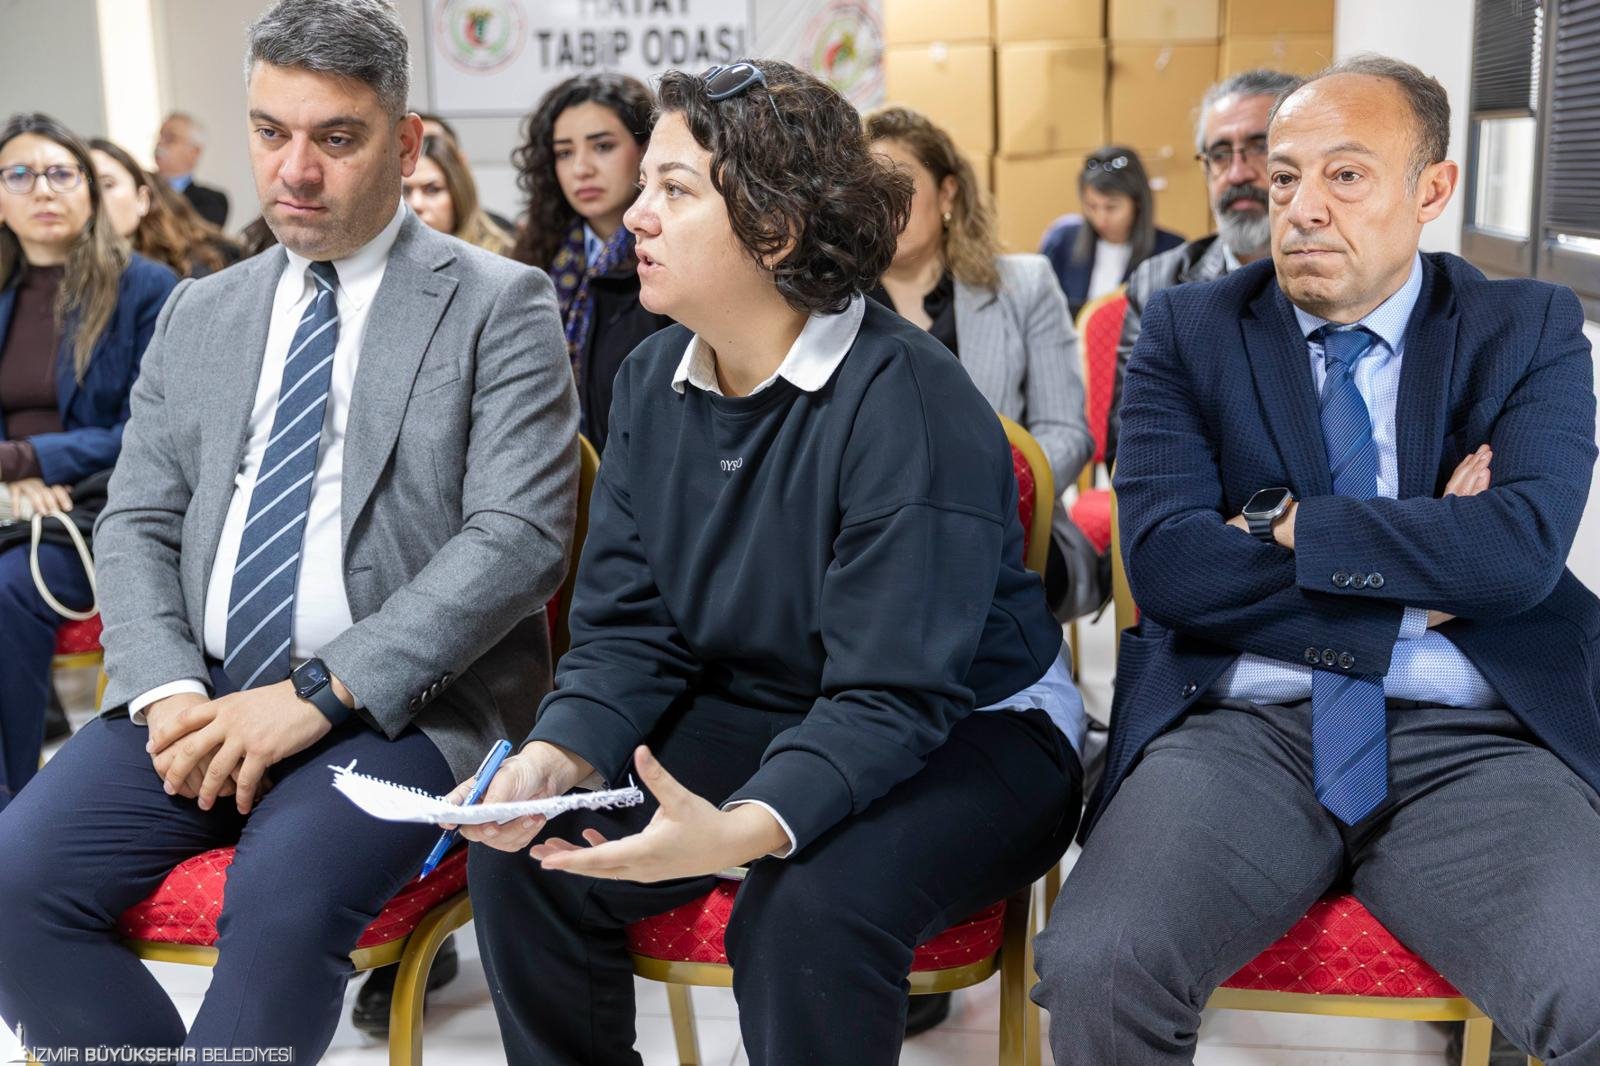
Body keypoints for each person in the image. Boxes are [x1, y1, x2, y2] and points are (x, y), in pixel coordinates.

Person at [460, 59, 1085, 1066]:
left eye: (673, 190)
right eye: (644, 186)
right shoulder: (650, 378)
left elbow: (893, 692)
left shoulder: (909, 399)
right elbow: (628, 631)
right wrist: (555, 757)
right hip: (772, 698)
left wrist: (745, 826)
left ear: (776, 229)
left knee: (805, 914)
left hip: (972, 727)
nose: (635, 218)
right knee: (532, 858)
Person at [0, 3, 578, 1062]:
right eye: (271, 132)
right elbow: (137, 517)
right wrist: (167, 689)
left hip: (404, 709)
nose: (295, 171)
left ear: (405, 143)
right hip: (201, 689)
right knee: (11, 883)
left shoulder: (499, 303)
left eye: (337, 138)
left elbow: (517, 537)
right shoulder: (201, 311)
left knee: (279, 905)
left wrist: (317, 693)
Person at [1032, 54, 1600, 1066]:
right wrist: (1425, 569)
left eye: (1345, 175)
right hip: (1241, 729)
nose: (1300, 207)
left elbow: (1515, 557)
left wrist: (1288, 525)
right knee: (1098, 966)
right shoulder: (1185, 329)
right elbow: (1168, 566)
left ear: (1431, 189)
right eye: (1286, 176)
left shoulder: (1526, 326)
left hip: (1473, 740)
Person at [0, 113, 177, 812]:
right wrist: (14, 477)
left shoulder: (145, 289)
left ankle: (11, 811)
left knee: (7, 587)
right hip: (10, 503)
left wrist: (29, 459)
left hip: (102, 509)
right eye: (20, 174)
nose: (43, 189)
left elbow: (151, 429)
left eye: (61, 172)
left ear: (90, 190)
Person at [865, 106, 1097, 627]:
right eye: (868, 189)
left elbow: (1065, 433)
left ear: (948, 193)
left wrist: (981, 496)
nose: (882, 204)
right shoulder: (835, 308)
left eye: (899, 185)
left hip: (1010, 533)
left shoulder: (1025, 285)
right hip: (873, 541)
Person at [1102, 69, 1304, 470]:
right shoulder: (1161, 285)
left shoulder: (1345, 273)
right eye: (1220, 154)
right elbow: (1133, 449)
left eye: (1260, 147)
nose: (1237, 173)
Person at [510, 72, 671, 453]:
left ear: (645, 149)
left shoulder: (671, 258)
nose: (581, 168)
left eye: (602, 146)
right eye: (564, 153)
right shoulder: (536, 258)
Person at [1039, 146, 1183, 319]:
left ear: (1137, 202)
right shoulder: (1062, 241)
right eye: (1092, 206)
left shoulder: (1172, 251)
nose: (1101, 218)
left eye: (1111, 207)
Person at [89, 138, 241, 279]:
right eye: (89, 187)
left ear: (143, 199)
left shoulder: (174, 274)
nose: (95, 198)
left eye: (107, 184)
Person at [403, 133, 513, 254]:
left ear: (459, 192)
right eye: (406, 191)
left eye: (432, 190)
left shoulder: (502, 255)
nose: (416, 204)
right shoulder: (392, 252)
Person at [154, 112, 229, 229]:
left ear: (195, 152)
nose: (160, 143)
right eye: (159, 136)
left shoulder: (212, 201)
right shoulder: (139, 187)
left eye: (170, 139)